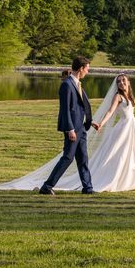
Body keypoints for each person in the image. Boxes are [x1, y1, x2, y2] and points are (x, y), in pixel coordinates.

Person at [0, 72, 135, 193]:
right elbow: (110, 112)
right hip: (123, 128)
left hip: (133, 127)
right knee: (118, 154)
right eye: (119, 81)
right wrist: (101, 123)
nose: (122, 83)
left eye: (124, 80)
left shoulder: (129, 96)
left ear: (129, 82)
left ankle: (133, 176)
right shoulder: (118, 97)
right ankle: (101, 182)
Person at [41, 56, 94, 195]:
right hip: (73, 129)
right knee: (68, 158)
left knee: (83, 158)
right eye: (87, 69)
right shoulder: (67, 85)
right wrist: (70, 129)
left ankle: (88, 188)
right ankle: (46, 187)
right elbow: (65, 110)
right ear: (81, 68)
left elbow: (79, 107)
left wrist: (89, 121)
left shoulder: (77, 84)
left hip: (81, 128)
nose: (88, 72)